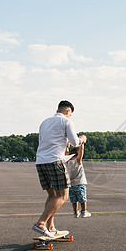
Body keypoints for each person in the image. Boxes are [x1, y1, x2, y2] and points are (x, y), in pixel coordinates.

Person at [33, 100, 86, 237]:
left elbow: (49, 142)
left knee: (52, 195)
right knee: (63, 196)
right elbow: (75, 142)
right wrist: (82, 139)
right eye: (70, 114)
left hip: (41, 161)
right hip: (55, 161)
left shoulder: (44, 122)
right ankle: (41, 223)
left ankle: (50, 227)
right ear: (68, 111)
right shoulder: (66, 121)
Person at [65, 142, 91, 218]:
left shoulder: (68, 161)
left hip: (71, 184)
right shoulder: (78, 161)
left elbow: (66, 153)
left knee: (74, 200)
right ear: (77, 154)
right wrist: (82, 144)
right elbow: (81, 151)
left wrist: (67, 146)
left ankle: (75, 212)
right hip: (79, 183)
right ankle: (84, 211)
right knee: (82, 199)